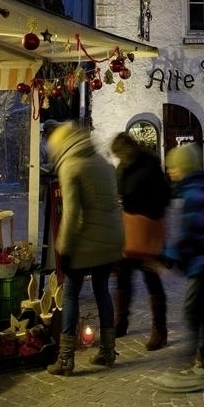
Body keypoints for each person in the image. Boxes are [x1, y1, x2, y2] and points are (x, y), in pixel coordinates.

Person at [153, 143, 204, 392]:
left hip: (203, 262)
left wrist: (167, 256)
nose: (170, 172)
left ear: (184, 167)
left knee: (192, 312)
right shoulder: (198, 189)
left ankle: (189, 368)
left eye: (174, 168)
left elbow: (190, 234)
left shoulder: (194, 194)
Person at [46, 122, 124, 376]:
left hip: (85, 240)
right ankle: (108, 350)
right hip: (111, 237)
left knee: (70, 293)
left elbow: (71, 212)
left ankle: (66, 357)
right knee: (102, 290)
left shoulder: (70, 166)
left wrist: (64, 247)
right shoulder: (102, 162)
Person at [110, 132, 172, 351]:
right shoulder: (123, 168)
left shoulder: (149, 166)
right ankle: (121, 321)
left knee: (151, 277)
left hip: (148, 229)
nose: (118, 158)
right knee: (123, 276)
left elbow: (165, 196)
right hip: (129, 228)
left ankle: (159, 330)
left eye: (119, 154)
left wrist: (149, 213)